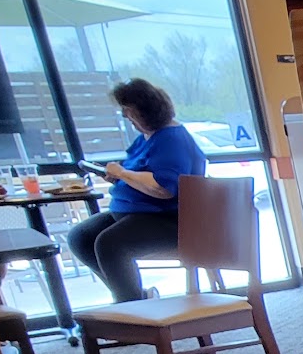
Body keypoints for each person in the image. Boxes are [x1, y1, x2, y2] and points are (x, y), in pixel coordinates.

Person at [67, 79, 207, 304]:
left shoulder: (172, 140)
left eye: (130, 113)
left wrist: (123, 174)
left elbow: (164, 187)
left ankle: (131, 306)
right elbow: (138, 175)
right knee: (81, 237)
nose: (127, 118)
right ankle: (134, 298)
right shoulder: (147, 138)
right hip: (137, 215)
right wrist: (119, 176)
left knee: (110, 243)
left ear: (146, 111)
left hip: (170, 220)